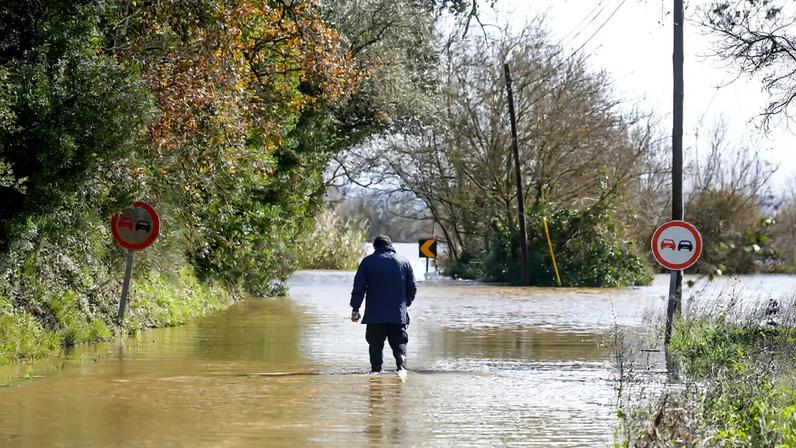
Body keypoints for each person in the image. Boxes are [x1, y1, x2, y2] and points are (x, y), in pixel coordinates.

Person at [350, 235, 417, 377]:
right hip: (397, 315)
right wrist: (405, 304)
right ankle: (401, 368)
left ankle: (376, 372)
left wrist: (355, 308)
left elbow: (359, 288)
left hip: (375, 316)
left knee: (375, 345)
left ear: (375, 247)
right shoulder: (403, 262)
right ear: (390, 245)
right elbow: (412, 288)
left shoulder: (367, 262)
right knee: (399, 343)